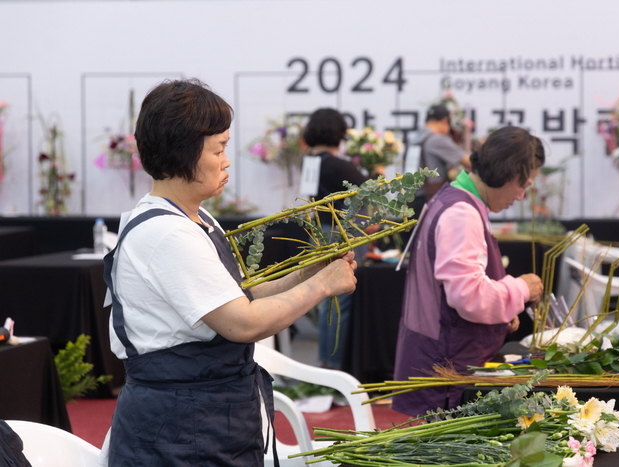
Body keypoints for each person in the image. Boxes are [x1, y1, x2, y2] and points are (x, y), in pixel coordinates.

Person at [102, 79, 358, 466]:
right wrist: (322, 285)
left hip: (210, 419)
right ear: (184, 152)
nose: (226, 160)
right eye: (218, 148)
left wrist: (308, 272)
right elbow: (242, 323)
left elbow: (242, 296)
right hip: (179, 431)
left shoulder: (195, 218)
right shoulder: (166, 232)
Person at [392, 126, 545, 417]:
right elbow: (469, 297)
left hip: (441, 359)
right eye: (524, 184)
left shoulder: (453, 200)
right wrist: (521, 289)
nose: (523, 195)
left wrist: (500, 314)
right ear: (509, 174)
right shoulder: (461, 214)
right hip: (447, 370)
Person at [303, 108, 382, 369]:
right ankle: (336, 365)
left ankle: (325, 361)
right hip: (341, 236)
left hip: (319, 234)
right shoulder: (338, 165)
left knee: (326, 300)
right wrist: (378, 173)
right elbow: (367, 192)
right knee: (339, 301)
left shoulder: (309, 162)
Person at [408, 104, 473, 217]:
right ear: (445, 121)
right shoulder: (436, 140)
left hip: (412, 200)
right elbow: (469, 161)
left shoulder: (414, 139)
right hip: (430, 201)